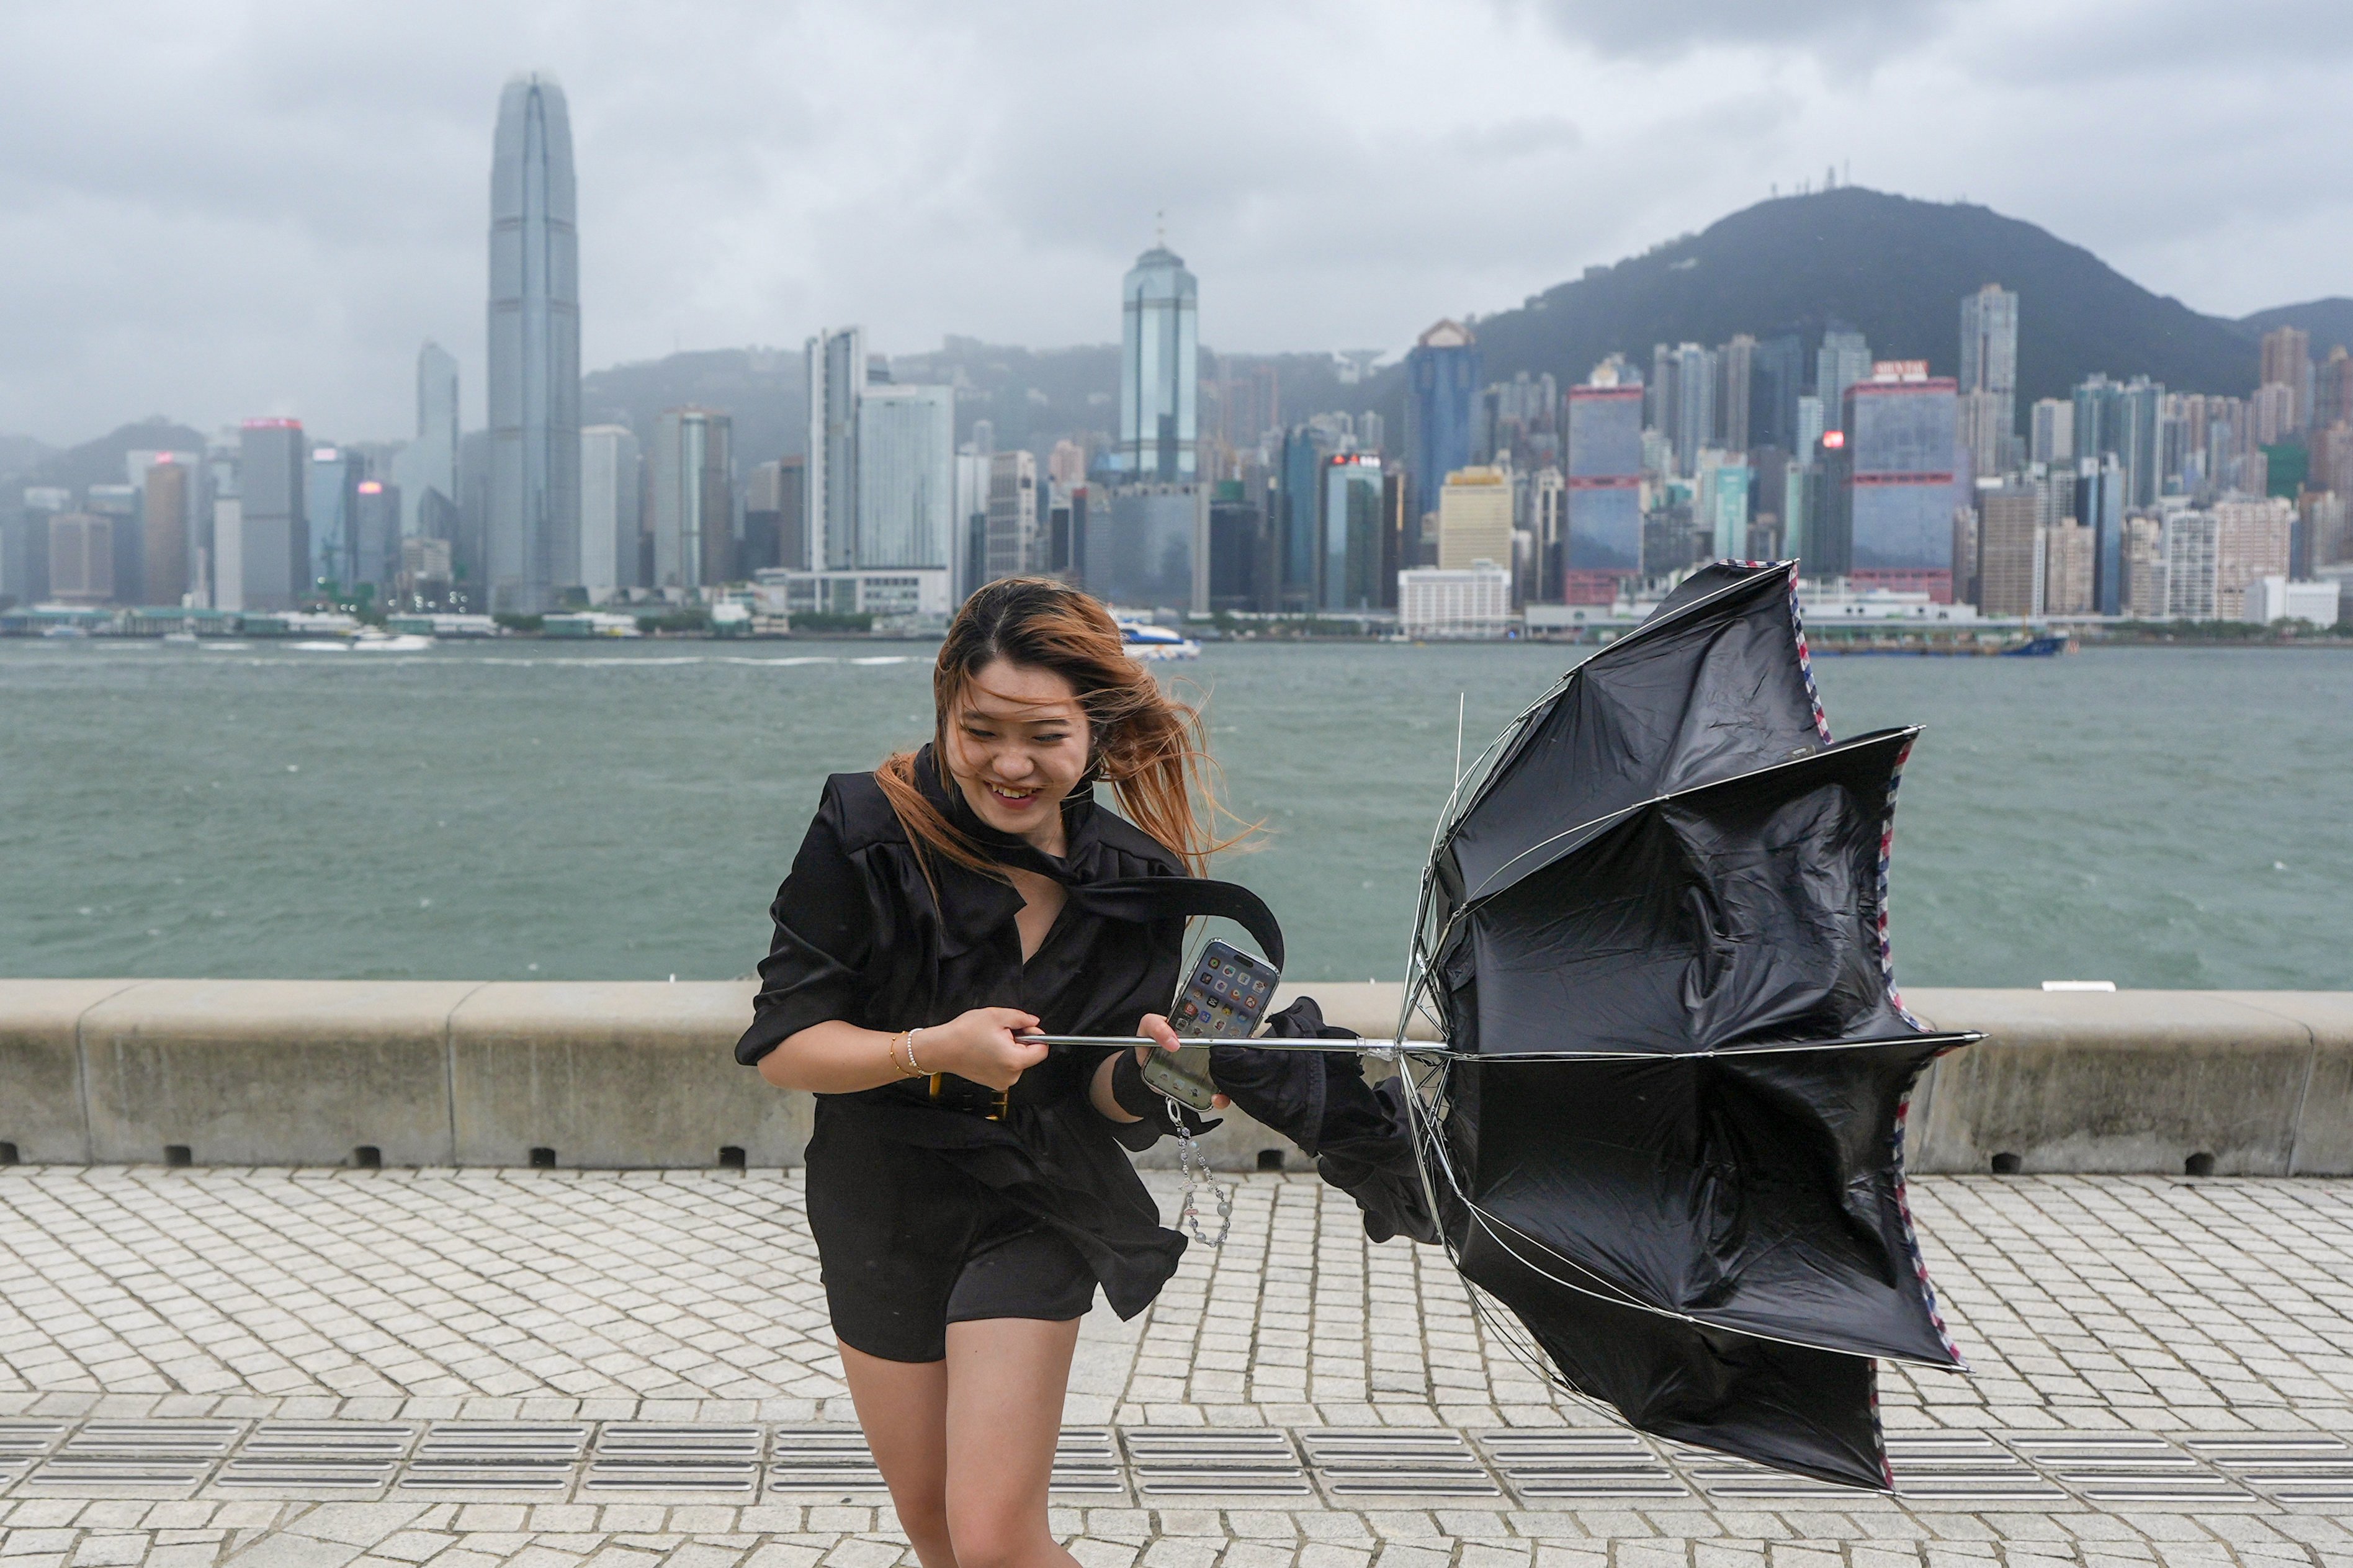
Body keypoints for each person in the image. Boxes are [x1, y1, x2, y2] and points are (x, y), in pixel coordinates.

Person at [737, 577, 1255, 1568]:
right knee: (937, 1533)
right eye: (982, 731)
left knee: (995, 1537)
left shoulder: (1138, 879)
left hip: (1036, 1197)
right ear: (946, 707)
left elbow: (1103, 1100)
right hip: (878, 1197)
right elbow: (787, 1043)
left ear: (1094, 735)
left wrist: (1158, 1076)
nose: (1011, 765)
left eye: (1047, 737)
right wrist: (930, 1048)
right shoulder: (862, 833)